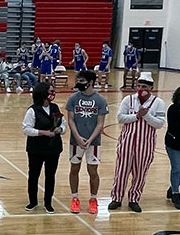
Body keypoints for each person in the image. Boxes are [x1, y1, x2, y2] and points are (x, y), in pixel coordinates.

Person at [109, 72, 166, 212]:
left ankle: (134, 198)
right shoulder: (128, 100)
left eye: (144, 86)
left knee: (140, 173)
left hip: (145, 144)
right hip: (126, 141)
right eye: (139, 85)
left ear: (151, 88)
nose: (141, 88)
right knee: (121, 171)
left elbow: (159, 124)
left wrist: (146, 115)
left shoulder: (158, 103)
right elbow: (120, 118)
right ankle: (116, 198)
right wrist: (136, 116)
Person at [65, 74, 109, 214]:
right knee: (74, 169)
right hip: (75, 141)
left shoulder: (100, 100)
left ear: (90, 82)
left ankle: (93, 199)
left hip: (94, 142)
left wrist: (90, 139)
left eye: (82, 81)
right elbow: (70, 120)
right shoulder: (73, 98)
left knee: (93, 171)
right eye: (78, 80)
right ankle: (74, 198)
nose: (79, 83)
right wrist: (78, 137)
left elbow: (100, 123)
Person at [23, 81, 64, 211]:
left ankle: (48, 203)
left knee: (50, 176)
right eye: (50, 91)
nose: (53, 94)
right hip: (36, 149)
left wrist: (60, 130)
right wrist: (43, 133)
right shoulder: (32, 110)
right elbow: (26, 129)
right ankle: (33, 201)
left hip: (53, 148)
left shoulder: (55, 108)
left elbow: (63, 124)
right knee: (34, 175)